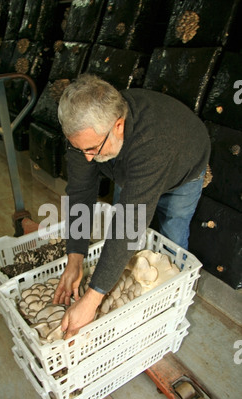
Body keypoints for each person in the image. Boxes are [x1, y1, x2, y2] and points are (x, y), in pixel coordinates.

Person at [53, 73, 211, 339]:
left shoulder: (154, 144)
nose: (88, 159)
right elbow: (81, 194)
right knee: (123, 225)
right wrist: (75, 258)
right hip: (131, 163)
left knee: (173, 227)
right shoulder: (85, 133)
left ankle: (171, 303)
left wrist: (90, 301)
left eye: (92, 149)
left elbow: (128, 225)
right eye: (81, 150)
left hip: (185, 165)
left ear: (118, 126)